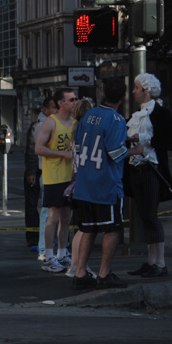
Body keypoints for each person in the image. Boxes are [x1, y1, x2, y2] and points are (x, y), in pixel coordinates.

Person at [71, 79, 144, 290]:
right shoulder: (116, 119)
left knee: (88, 230)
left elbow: (79, 145)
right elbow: (115, 153)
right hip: (106, 185)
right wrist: (135, 150)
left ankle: (80, 273)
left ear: (103, 94)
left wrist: (124, 139)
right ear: (123, 97)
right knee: (111, 230)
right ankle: (104, 274)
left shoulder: (88, 116)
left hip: (84, 183)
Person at [125, 73, 172, 278]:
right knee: (144, 215)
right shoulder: (137, 114)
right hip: (135, 169)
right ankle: (151, 260)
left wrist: (143, 137)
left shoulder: (161, 113)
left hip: (151, 168)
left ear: (146, 91)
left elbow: (169, 141)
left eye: (136, 88)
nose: (134, 91)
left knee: (151, 215)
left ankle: (160, 262)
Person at [35, 88, 77, 273]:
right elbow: (39, 148)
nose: (74, 102)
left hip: (70, 176)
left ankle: (62, 253)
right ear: (61, 103)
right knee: (53, 216)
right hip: (54, 176)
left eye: (75, 99)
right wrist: (62, 154)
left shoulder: (75, 122)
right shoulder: (50, 122)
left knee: (66, 217)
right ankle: (48, 256)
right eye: (71, 100)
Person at [64, 97, 97, 279]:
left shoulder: (76, 131)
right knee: (85, 228)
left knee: (81, 227)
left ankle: (75, 265)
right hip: (85, 183)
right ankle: (77, 267)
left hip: (76, 182)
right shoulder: (87, 133)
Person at [25, 96, 57, 250]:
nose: (56, 110)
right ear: (45, 109)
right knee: (36, 206)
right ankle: (35, 239)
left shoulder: (57, 123)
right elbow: (32, 150)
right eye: (53, 107)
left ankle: (53, 241)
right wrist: (31, 172)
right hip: (39, 170)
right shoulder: (39, 125)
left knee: (51, 207)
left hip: (50, 170)